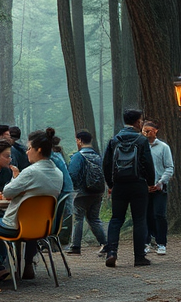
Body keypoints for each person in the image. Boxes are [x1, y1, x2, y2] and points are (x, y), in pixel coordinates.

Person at [0, 128, 63, 283]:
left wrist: (16, 178)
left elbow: (8, 192)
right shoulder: (58, 173)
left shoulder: (30, 172)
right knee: (28, 224)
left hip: (15, 224)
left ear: (39, 150)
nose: (27, 152)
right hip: (40, 226)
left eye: (29, 148)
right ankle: (28, 264)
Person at [102, 109, 156, 268]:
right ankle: (139, 257)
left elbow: (106, 164)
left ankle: (111, 252)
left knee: (116, 218)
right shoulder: (141, 140)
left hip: (119, 185)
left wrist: (110, 184)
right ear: (138, 122)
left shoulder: (114, 140)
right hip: (138, 184)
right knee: (139, 220)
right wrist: (150, 182)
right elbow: (148, 162)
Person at [66, 131, 108, 256]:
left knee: (78, 218)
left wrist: (73, 188)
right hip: (97, 192)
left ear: (79, 140)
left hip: (82, 193)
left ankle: (75, 246)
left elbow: (72, 173)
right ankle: (105, 243)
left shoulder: (78, 156)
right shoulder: (98, 156)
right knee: (94, 218)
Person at [142, 121, 174, 256]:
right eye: (144, 130)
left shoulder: (163, 147)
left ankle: (161, 243)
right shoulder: (140, 147)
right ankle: (147, 242)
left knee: (159, 215)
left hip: (159, 187)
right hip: (144, 188)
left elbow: (169, 167)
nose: (147, 133)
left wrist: (161, 182)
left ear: (156, 131)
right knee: (146, 216)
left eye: (149, 130)